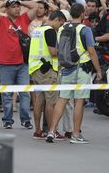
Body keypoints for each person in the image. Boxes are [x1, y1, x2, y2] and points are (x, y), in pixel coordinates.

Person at [46, 4, 102, 144]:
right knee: (79, 101)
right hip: (81, 69)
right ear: (83, 14)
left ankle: (52, 131)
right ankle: (76, 134)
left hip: (66, 68)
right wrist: (98, 70)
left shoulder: (62, 29)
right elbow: (91, 51)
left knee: (62, 99)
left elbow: (59, 50)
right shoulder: (85, 29)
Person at [0, 0, 38, 130]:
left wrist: (21, 2)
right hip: (5, 63)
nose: (17, 8)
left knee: (24, 93)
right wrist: (4, 3)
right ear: (7, 9)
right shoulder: (0, 21)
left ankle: (26, 120)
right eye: (14, 7)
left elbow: (35, 7)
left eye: (18, 6)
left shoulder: (24, 19)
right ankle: (8, 120)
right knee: (7, 94)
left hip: (23, 63)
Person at [29, 10, 66, 140]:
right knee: (51, 102)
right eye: (60, 24)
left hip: (35, 69)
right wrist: (63, 49)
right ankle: (52, 130)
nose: (60, 27)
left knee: (39, 101)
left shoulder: (38, 30)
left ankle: (38, 130)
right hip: (47, 70)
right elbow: (53, 52)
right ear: (57, 19)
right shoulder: (50, 31)